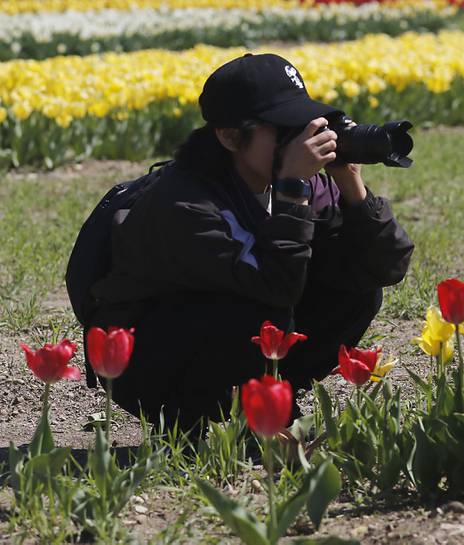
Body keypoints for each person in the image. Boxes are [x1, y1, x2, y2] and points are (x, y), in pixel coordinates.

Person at [81, 53, 414, 433]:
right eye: (283, 128)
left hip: (228, 323)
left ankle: (269, 399)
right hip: (148, 362)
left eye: (304, 121)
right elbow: (277, 286)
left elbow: (387, 265)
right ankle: (189, 418)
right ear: (229, 136)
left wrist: (351, 182)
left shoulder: (295, 179)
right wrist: (291, 191)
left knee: (358, 287)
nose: (302, 139)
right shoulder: (187, 203)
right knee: (254, 306)